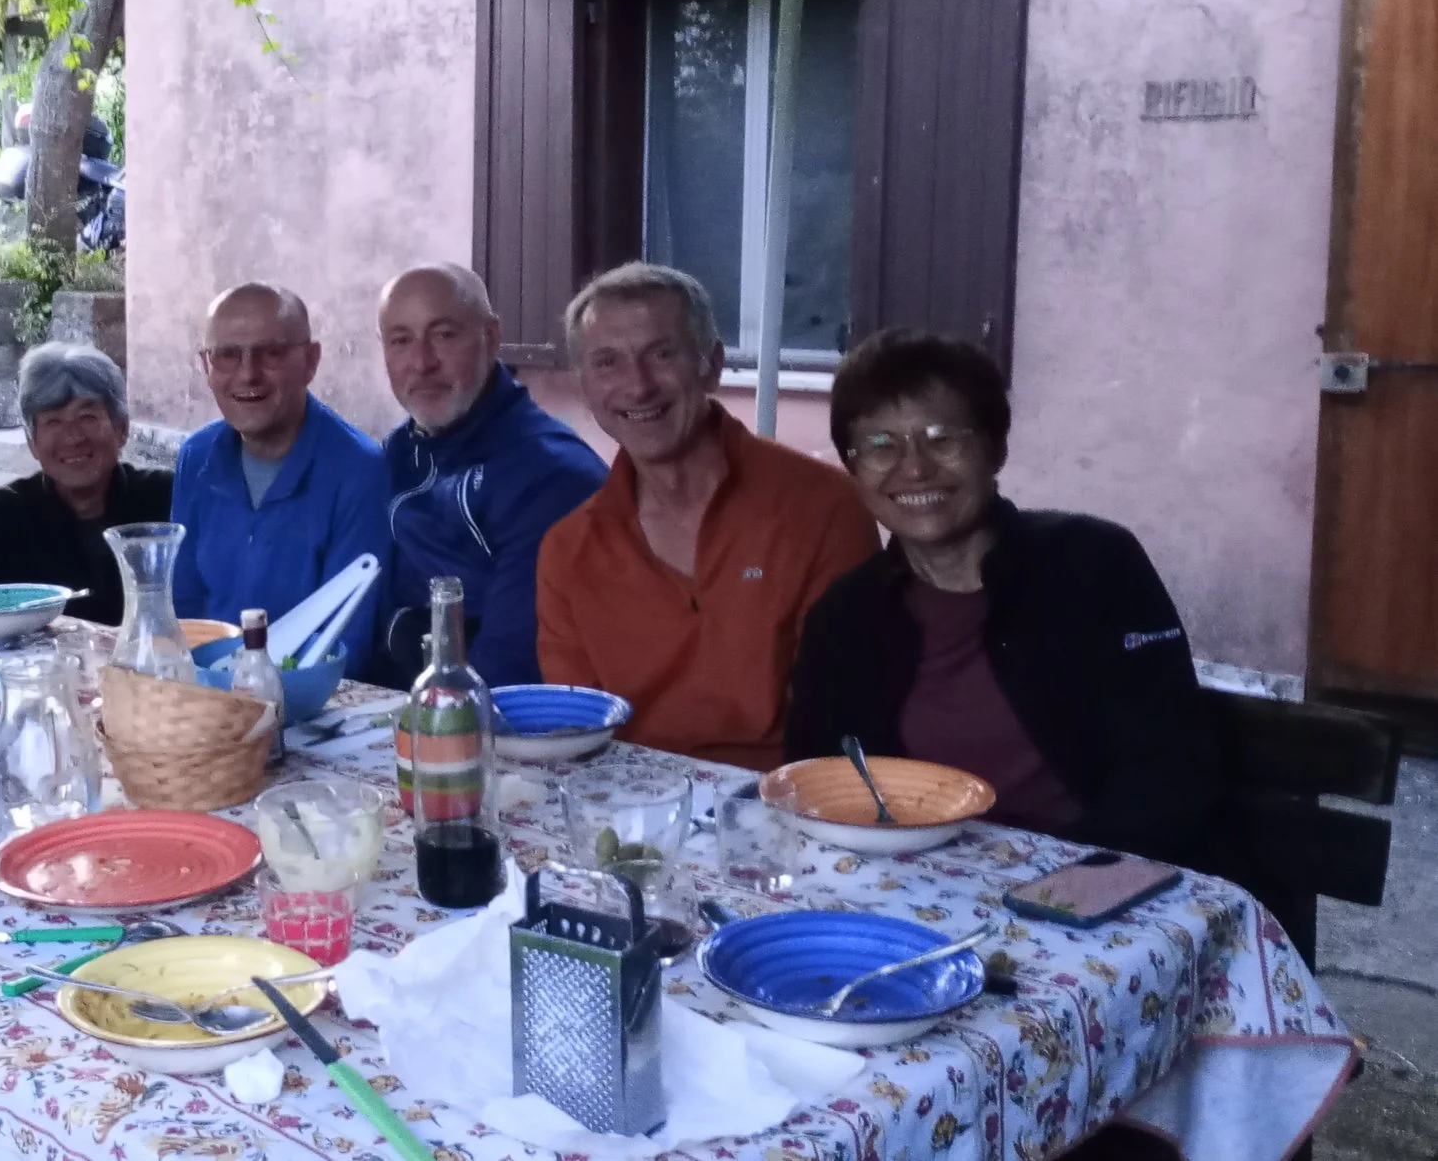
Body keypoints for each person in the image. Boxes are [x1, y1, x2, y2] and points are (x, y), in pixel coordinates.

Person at [788, 330, 1230, 864]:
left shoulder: (1094, 565)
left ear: (995, 448)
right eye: (880, 445)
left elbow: (1169, 769)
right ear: (854, 468)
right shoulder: (845, 617)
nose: (915, 467)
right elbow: (821, 780)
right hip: (921, 880)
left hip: (1093, 875)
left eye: (943, 437)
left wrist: (1066, 881)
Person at [536, 264, 876, 770]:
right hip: (632, 808)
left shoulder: (823, 507)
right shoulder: (568, 550)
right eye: (607, 362)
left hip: (790, 802)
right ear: (585, 386)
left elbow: (846, 715)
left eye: (662, 353)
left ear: (711, 364)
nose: (638, 386)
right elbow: (578, 736)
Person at [375, 263, 607, 687]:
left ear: (492, 337)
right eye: (401, 340)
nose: (422, 362)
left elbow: (508, 667)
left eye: (445, 335)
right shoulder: (398, 452)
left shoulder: (550, 477)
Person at [170, 283, 389, 638]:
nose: (247, 373)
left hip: (306, 689)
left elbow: (345, 638)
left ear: (311, 361)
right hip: (204, 683)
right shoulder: (196, 457)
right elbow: (183, 608)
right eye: (227, 354)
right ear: (205, 365)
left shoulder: (358, 469)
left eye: (270, 353)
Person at [0, 344, 171, 626]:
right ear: (32, 442)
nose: (73, 437)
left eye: (87, 416)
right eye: (53, 421)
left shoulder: (167, 498)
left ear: (122, 429)